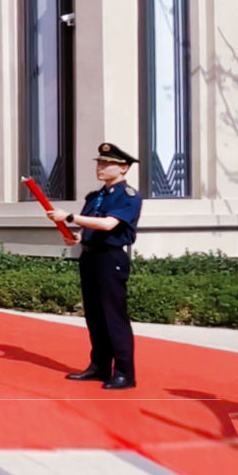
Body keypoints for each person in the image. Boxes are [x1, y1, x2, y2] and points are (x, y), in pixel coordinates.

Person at [47, 143, 142, 391]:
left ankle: (124, 373)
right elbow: (90, 227)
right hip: (90, 257)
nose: (100, 167)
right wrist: (77, 237)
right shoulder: (95, 197)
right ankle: (99, 366)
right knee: (95, 316)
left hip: (110, 259)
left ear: (123, 168)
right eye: (99, 163)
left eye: (106, 164)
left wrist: (69, 217)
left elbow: (109, 224)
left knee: (114, 317)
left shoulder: (129, 196)